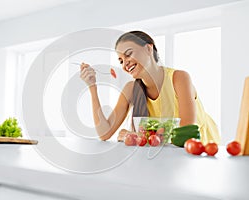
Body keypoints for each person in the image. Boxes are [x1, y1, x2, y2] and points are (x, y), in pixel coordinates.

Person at [79, 30, 220, 145]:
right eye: (121, 60)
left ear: (148, 48)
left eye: (128, 54)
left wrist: (138, 137)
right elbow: (105, 133)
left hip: (203, 150)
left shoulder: (179, 78)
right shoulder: (131, 89)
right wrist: (92, 86)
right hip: (168, 156)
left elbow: (185, 134)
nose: (124, 64)